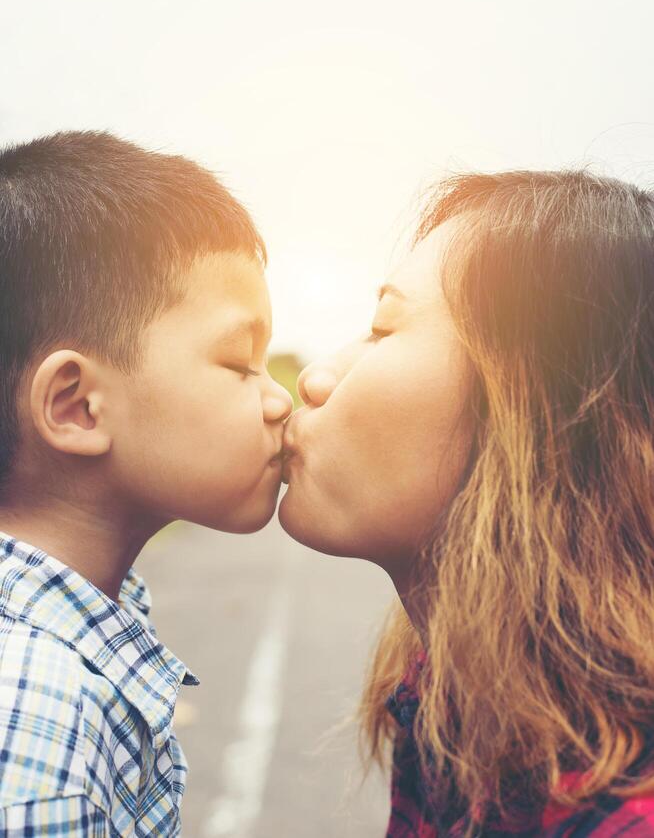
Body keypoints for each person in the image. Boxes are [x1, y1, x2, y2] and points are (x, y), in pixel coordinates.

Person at [280, 170, 654, 836]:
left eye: (381, 328)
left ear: (536, 417)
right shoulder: (449, 691)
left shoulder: (625, 816)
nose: (313, 381)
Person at [0, 131, 292, 836]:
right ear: (76, 405)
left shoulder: (84, 624)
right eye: (239, 362)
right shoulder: (40, 716)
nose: (278, 399)